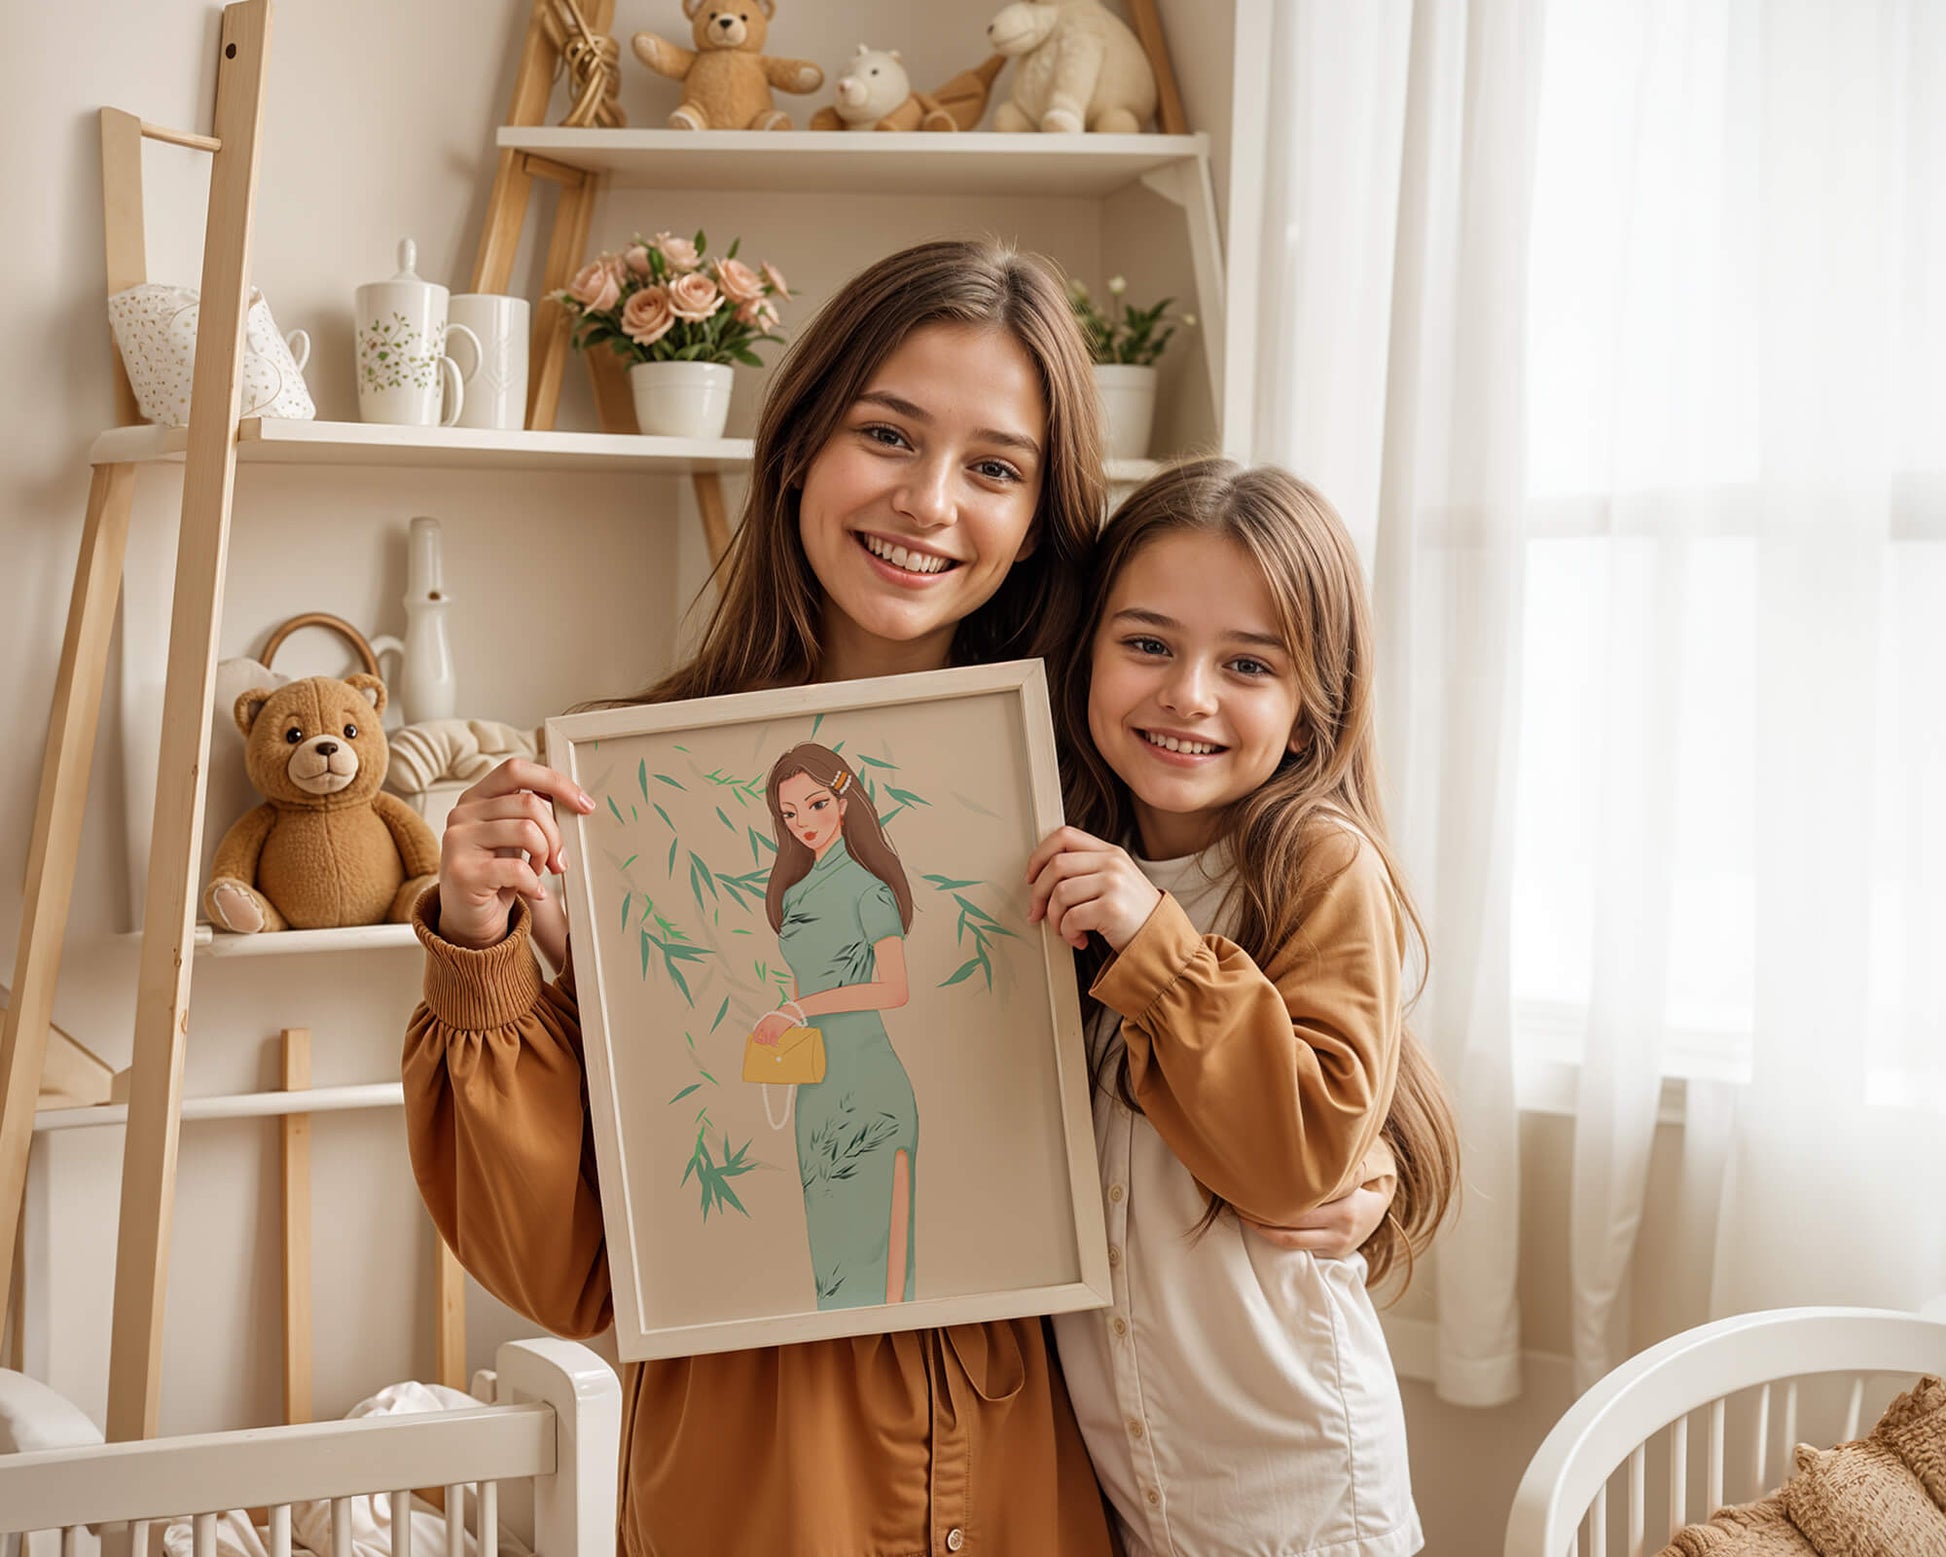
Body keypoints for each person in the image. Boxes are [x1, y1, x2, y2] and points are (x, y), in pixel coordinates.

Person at [402, 241, 1396, 1556]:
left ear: (1041, 514)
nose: (930, 501)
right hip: (759, 1481)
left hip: (1032, 1480)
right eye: (888, 434)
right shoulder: (635, 802)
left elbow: (1305, 1047)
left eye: (993, 466)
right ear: (802, 442)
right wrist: (481, 955)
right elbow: (563, 1266)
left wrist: (1357, 1164)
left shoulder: (1100, 773)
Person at [1028, 458, 1461, 1557]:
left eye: (1246, 665)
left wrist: (1152, 941)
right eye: (1147, 645)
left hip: (1298, 1499)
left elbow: (1298, 1156)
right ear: (1085, 658)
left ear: (1310, 712)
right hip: (1127, 1482)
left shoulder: (1316, 863)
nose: (1187, 694)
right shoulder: (1055, 857)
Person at [755, 742, 919, 1310]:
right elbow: (805, 989)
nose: (804, 823)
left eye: (817, 804)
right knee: (830, 1254)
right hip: (817, 1090)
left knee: (874, 1255)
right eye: (790, 813)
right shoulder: (796, 895)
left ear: (845, 802)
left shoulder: (869, 890)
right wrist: (784, 1029)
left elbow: (894, 989)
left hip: (869, 1084)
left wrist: (798, 1011)